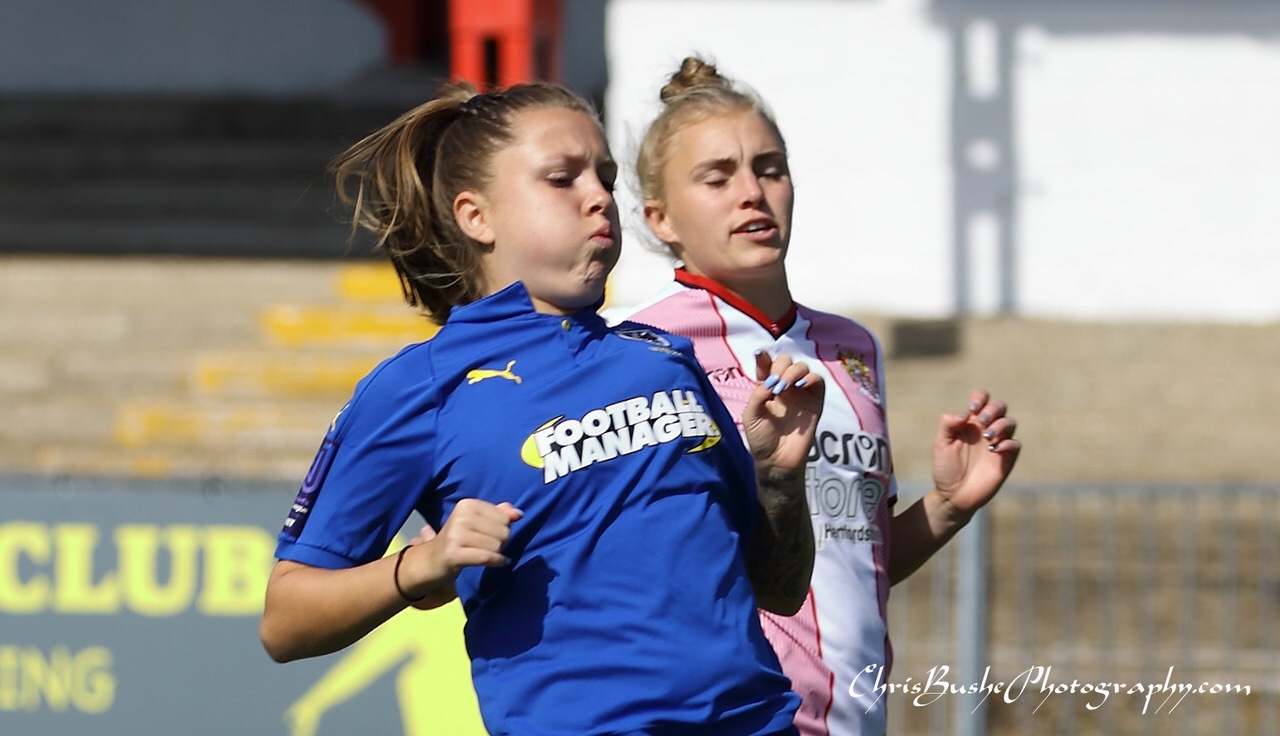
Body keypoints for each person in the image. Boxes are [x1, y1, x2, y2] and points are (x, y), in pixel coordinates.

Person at [258, 78, 828, 736]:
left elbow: (778, 589)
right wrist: (419, 566)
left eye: (605, 176)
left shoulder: (665, 357)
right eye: (562, 178)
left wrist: (777, 477)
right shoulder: (418, 387)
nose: (599, 197)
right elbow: (285, 622)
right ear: (476, 217)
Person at [607, 57, 1022, 736]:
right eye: (717, 177)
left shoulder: (851, 346)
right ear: (661, 218)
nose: (752, 192)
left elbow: (850, 564)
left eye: (769, 168)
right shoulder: (633, 350)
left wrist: (948, 506)